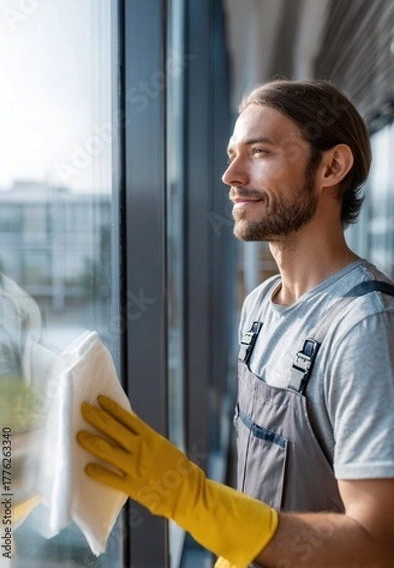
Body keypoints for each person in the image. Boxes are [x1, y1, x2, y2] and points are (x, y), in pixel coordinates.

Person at [77, 79, 394, 567]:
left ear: (331, 167)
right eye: (231, 154)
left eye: (259, 152)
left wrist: (191, 499)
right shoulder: (259, 307)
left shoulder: (364, 326)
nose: (230, 174)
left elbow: (377, 544)